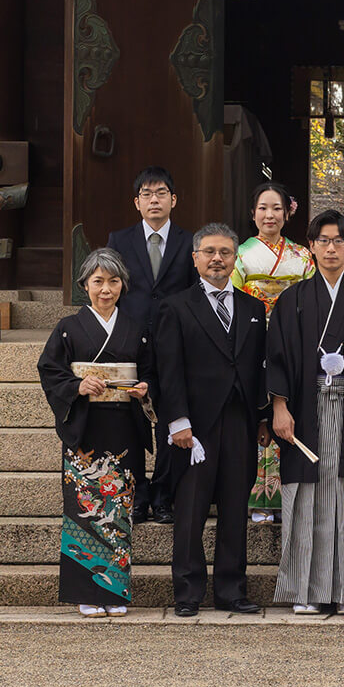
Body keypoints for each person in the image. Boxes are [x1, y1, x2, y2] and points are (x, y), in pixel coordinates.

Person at [266, 209, 344, 616]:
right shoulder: (293, 300)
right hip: (305, 411)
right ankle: (307, 589)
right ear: (311, 246)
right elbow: (277, 357)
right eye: (323, 240)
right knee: (306, 497)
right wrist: (280, 406)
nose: (331, 248)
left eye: (339, 240)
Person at [156, 223, 268, 618]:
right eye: (209, 252)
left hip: (240, 420)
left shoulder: (254, 309)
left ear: (235, 258)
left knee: (237, 507)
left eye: (224, 252)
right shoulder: (175, 306)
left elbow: (257, 367)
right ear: (195, 258)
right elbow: (167, 369)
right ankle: (187, 592)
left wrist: (263, 417)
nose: (217, 259)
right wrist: (177, 422)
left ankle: (231, 589)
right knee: (191, 509)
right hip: (195, 425)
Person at [37, 248, 153, 618]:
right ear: (84, 285)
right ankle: (87, 589)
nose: (106, 289)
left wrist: (145, 389)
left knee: (118, 508)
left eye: (114, 281)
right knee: (84, 510)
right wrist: (76, 386)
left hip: (124, 429)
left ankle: (115, 591)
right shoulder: (68, 327)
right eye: (98, 281)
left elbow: (153, 372)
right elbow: (50, 370)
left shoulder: (136, 328)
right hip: (85, 433)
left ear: (123, 285)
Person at [106, 166, 198, 525]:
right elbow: (112, 288)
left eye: (161, 193)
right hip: (130, 343)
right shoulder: (120, 239)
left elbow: (193, 293)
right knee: (133, 424)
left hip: (175, 344)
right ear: (137, 202)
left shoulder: (189, 242)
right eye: (147, 194)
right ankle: (138, 496)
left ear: (173, 200)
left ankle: (163, 497)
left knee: (169, 423)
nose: (154, 199)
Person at [231, 181, 315, 524]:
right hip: (252, 338)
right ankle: (254, 496)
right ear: (253, 214)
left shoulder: (302, 256)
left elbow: (311, 299)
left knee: (289, 411)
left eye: (276, 208)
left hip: (293, 340)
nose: (270, 214)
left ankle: (287, 495)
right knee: (256, 413)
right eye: (263, 208)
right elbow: (233, 299)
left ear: (287, 213)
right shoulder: (240, 254)